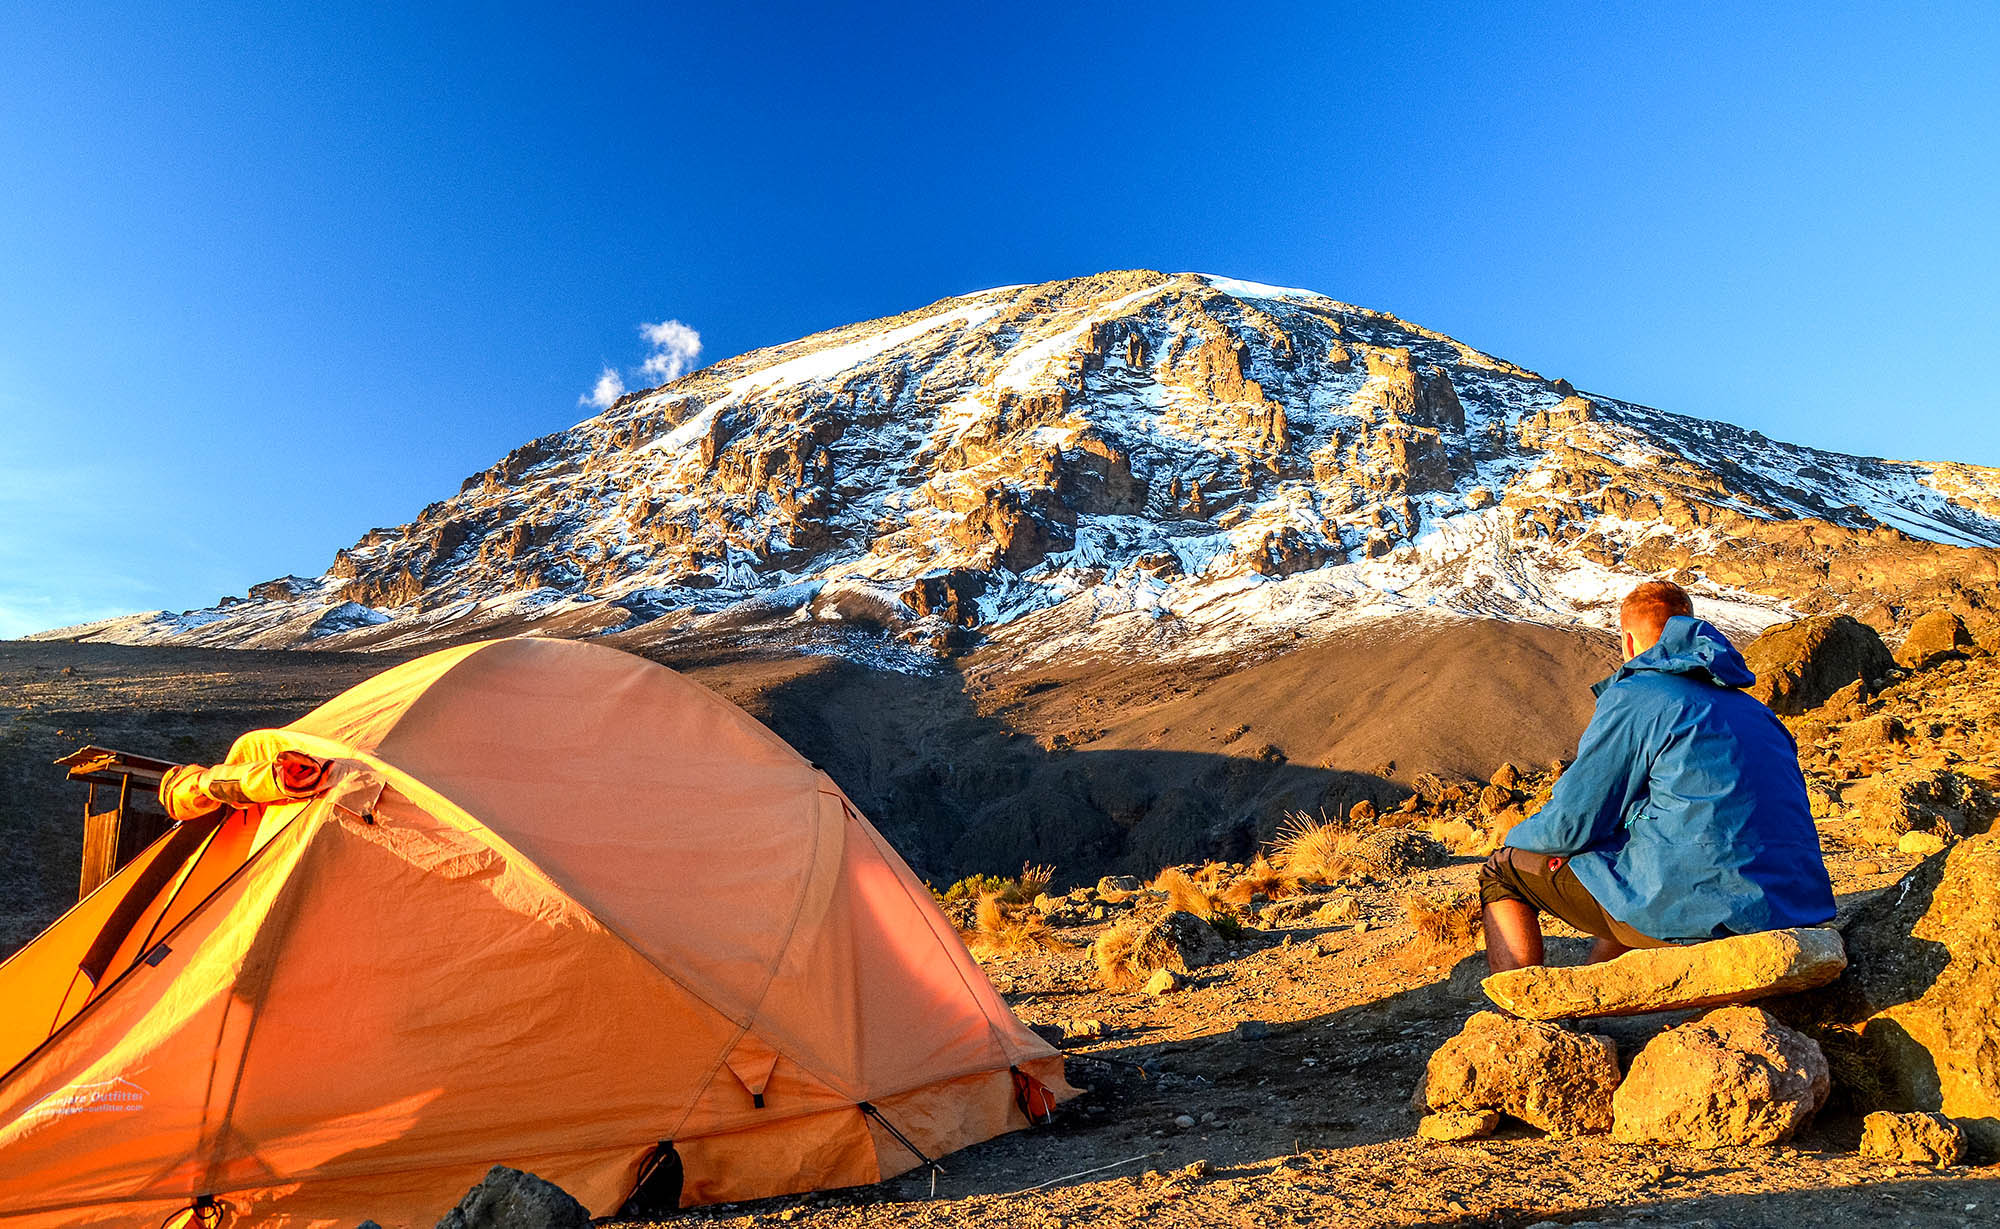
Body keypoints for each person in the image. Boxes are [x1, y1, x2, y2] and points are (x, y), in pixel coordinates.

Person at [1480, 580, 1835, 972]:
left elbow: (1571, 825)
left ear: (1628, 642)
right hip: (1793, 905)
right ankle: (1600, 985)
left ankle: (1517, 1011)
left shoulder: (1638, 695)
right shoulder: (1756, 711)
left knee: (1502, 870)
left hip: (1701, 911)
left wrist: (1513, 841)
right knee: (1623, 860)